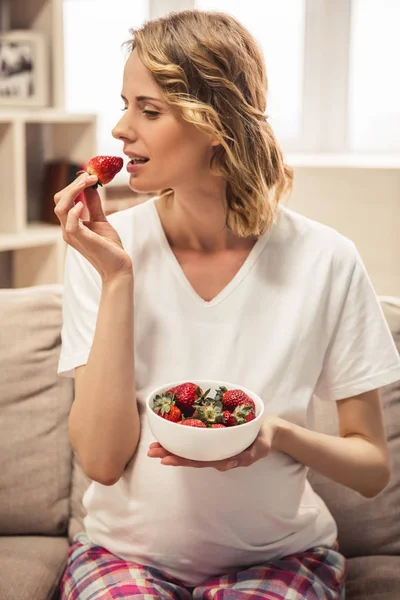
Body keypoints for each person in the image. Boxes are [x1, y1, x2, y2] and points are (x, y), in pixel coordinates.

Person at [55, 9, 400, 600]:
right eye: (124, 103)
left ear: (214, 122)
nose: (119, 128)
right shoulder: (106, 250)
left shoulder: (326, 259)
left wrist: (277, 435)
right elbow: (102, 462)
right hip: (122, 554)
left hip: (282, 559)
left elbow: (371, 468)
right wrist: (117, 281)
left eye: (149, 109)